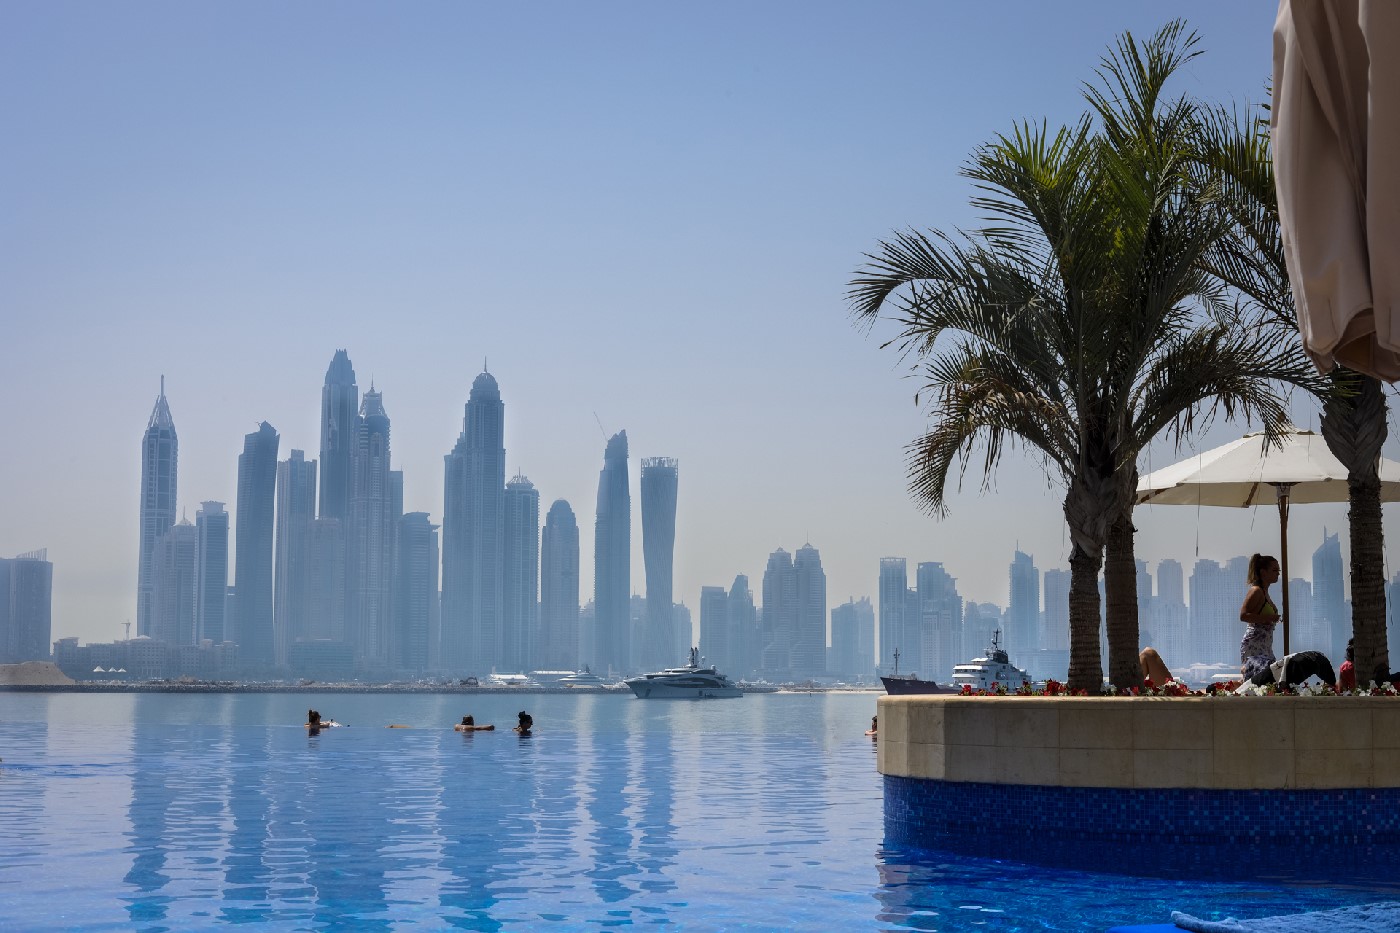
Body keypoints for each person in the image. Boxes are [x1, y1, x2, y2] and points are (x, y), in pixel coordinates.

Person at [1239, 553, 1281, 683]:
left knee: (1268, 676)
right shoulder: (1256, 591)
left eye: (1278, 570)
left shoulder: (1265, 592)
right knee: (1258, 677)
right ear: (1263, 572)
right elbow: (1243, 615)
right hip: (1254, 643)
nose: (1278, 574)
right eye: (1274, 570)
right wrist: (1267, 618)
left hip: (1266, 644)